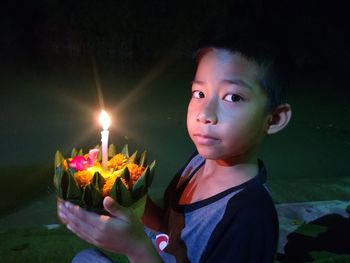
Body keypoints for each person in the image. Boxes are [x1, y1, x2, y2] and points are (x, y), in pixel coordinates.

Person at [58, 37, 292, 262]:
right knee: (85, 258)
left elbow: (142, 247)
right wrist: (121, 191)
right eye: (199, 94)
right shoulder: (199, 162)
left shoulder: (249, 217)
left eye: (232, 97)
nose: (204, 114)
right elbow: (165, 225)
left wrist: (135, 248)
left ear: (274, 119)